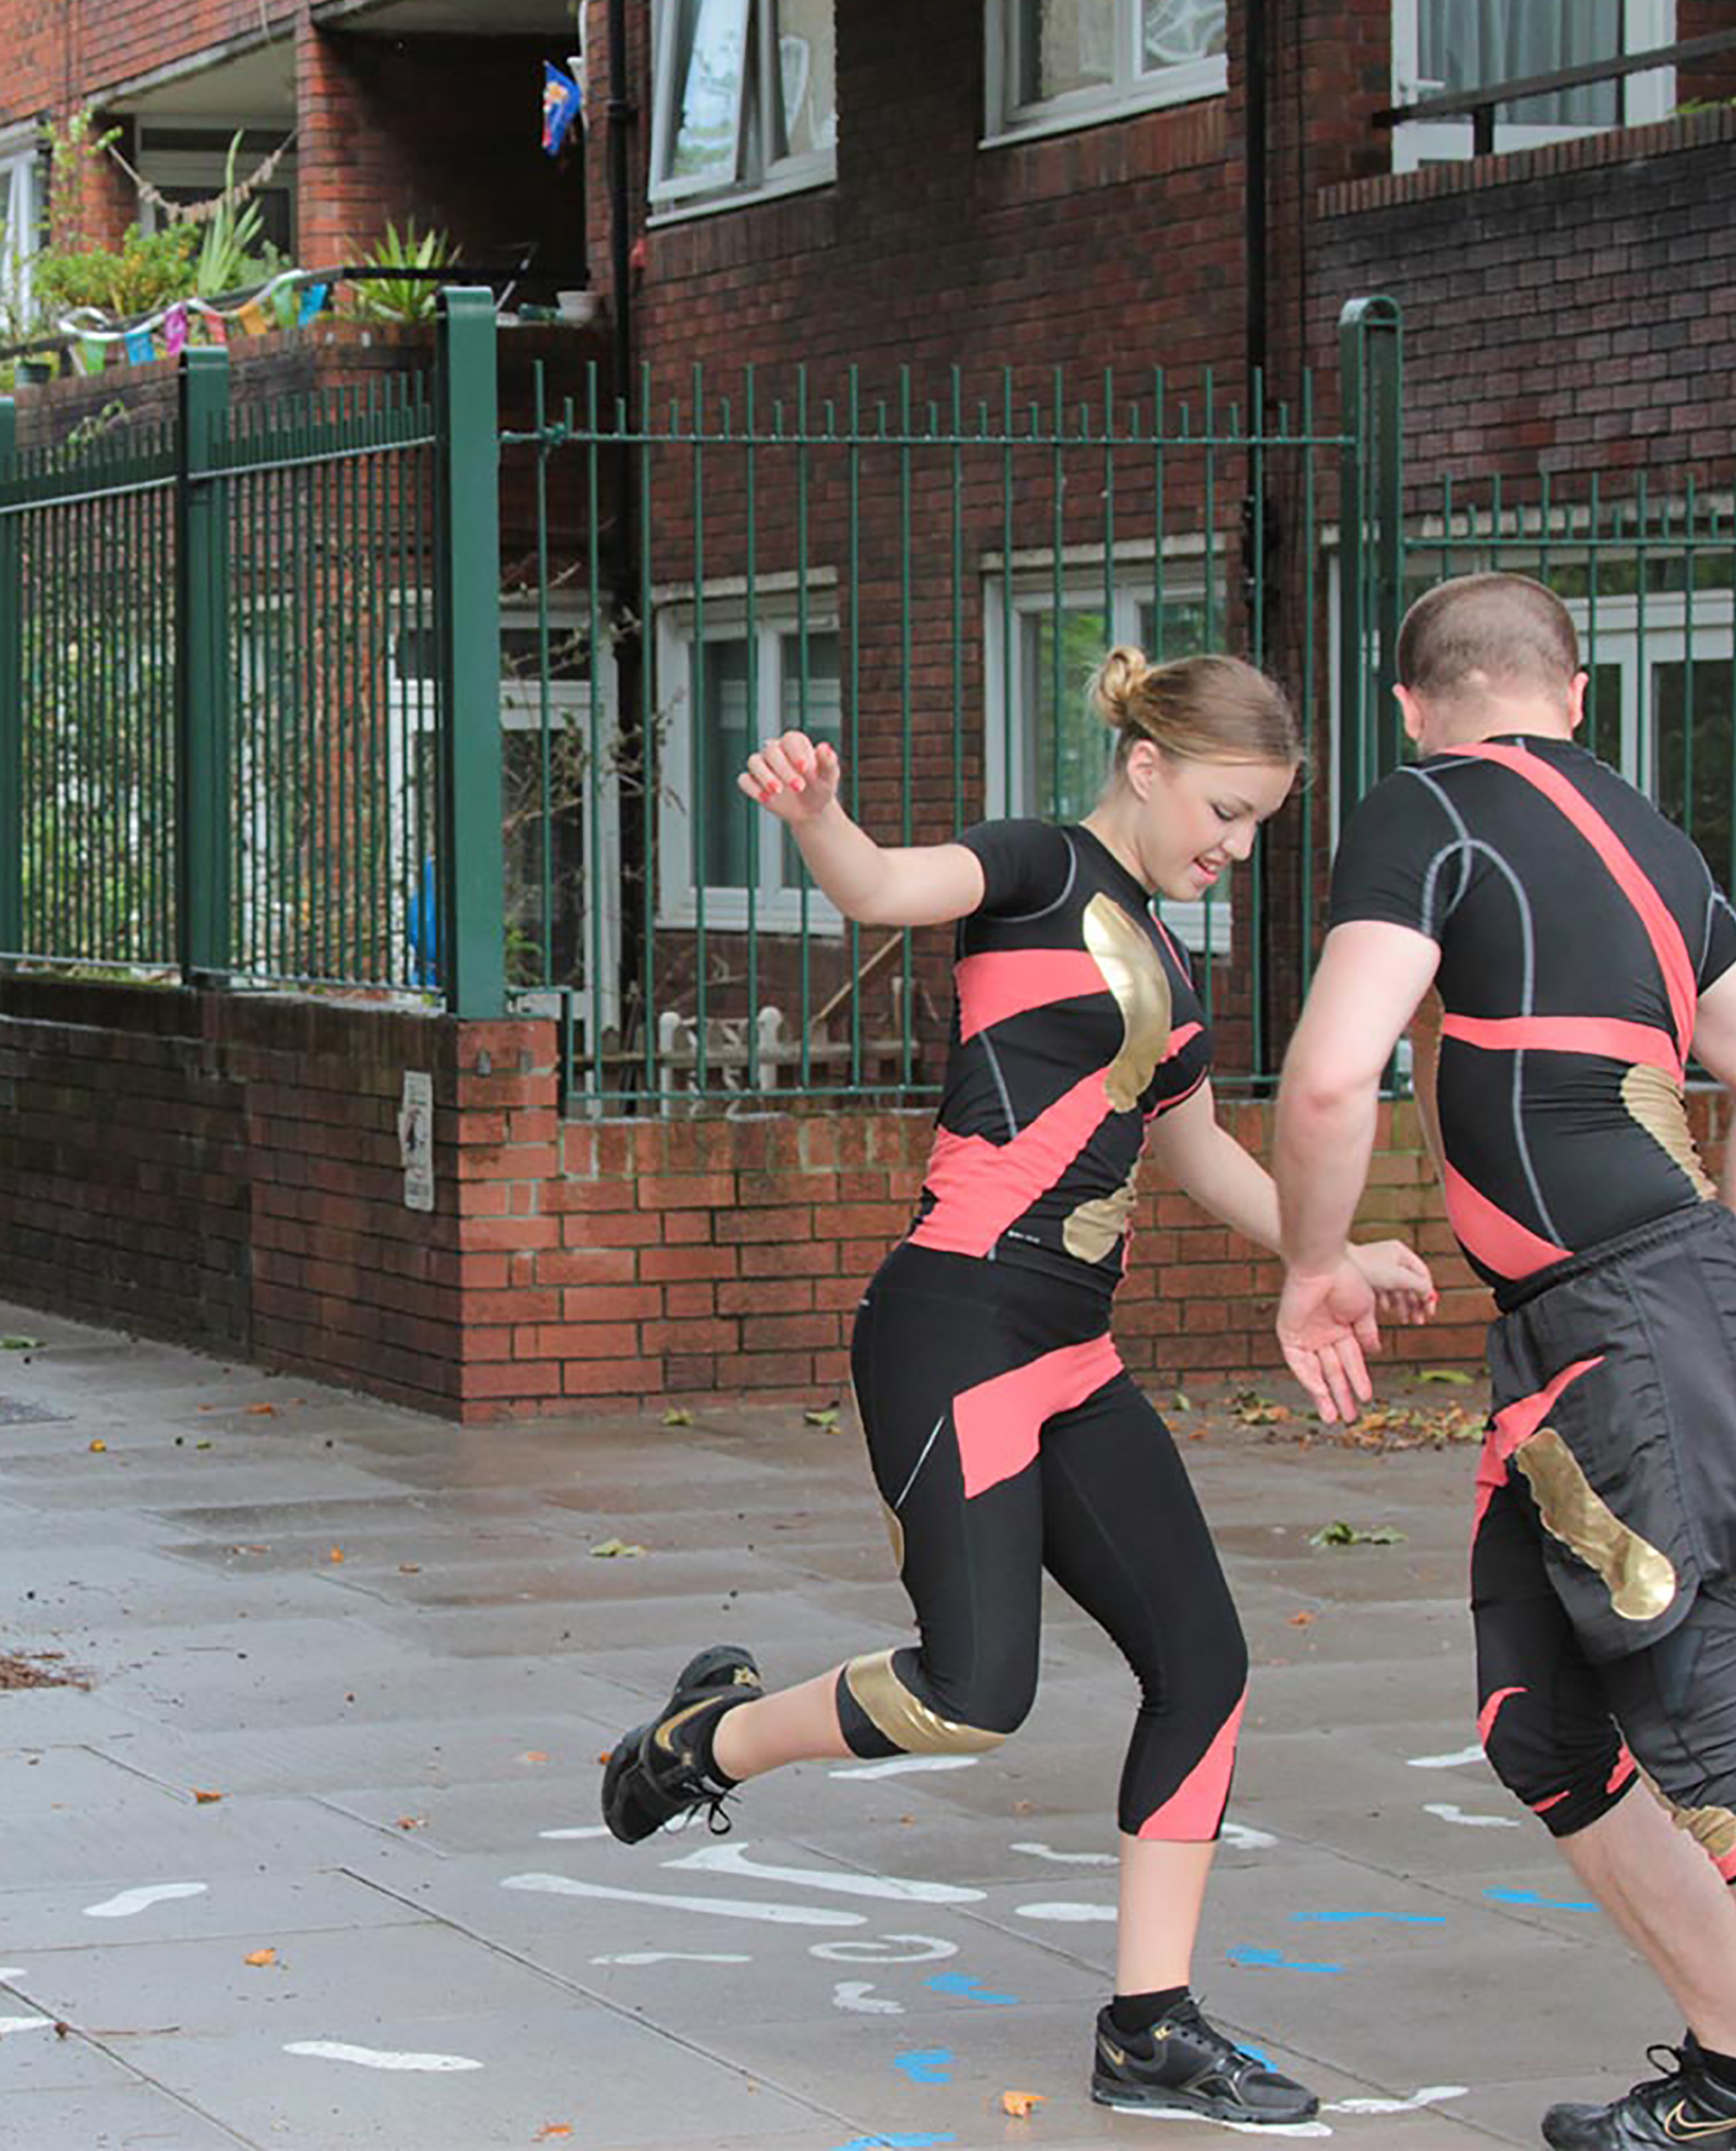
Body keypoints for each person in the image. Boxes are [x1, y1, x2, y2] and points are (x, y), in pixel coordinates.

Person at [598, 650, 1438, 2130]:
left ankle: (1151, 2029)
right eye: (1226, 813)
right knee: (973, 1697)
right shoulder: (1036, 867)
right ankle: (700, 1740)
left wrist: (1333, 1246)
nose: (1234, 848)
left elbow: (1196, 1152)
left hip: (1075, 1355)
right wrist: (814, 818)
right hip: (957, 1331)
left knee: (1206, 1667)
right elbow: (877, 888)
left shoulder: (1172, 961)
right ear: (1148, 764)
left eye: (1258, 828)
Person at [1271, 572, 1736, 2151]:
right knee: (1545, 1728)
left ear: (1414, 704)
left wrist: (1314, 1266)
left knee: (1708, 1732)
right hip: (1622, 1324)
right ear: (1577, 699)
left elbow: (1326, 1079)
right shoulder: (1648, 835)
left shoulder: (1423, 807)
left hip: (1624, 1322)